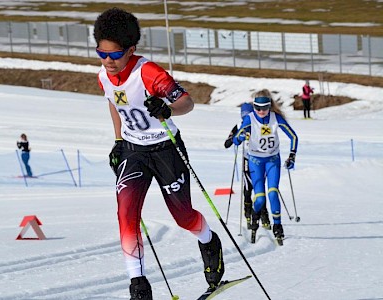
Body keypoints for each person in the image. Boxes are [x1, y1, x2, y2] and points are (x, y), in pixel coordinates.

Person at [93, 8, 224, 299]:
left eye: (114, 55)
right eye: (101, 54)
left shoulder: (148, 72)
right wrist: (118, 141)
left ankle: (209, 241)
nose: (107, 61)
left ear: (131, 50)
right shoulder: (103, 74)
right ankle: (137, 284)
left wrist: (167, 109)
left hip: (166, 148)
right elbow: (114, 103)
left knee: (183, 216)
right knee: (126, 214)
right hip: (133, 150)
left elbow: (187, 103)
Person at [232, 89, 298, 245]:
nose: (261, 111)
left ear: (270, 106)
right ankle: (255, 220)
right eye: (257, 108)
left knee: (273, 193)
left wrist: (292, 156)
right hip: (256, 162)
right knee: (260, 198)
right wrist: (240, 137)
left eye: (264, 108)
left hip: (272, 160)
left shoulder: (276, 118)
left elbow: (294, 136)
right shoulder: (249, 118)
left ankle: (278, 226)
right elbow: (235, 139)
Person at [224, 103, 271, 230]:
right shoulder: (239, 126)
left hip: (260, 161)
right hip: (246, 160)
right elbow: (227, 143)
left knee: (259, 189)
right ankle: (248, 214)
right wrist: (237, 138)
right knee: (247, 189)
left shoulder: (261, 124)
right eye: (244, 115)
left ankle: (264, 215)